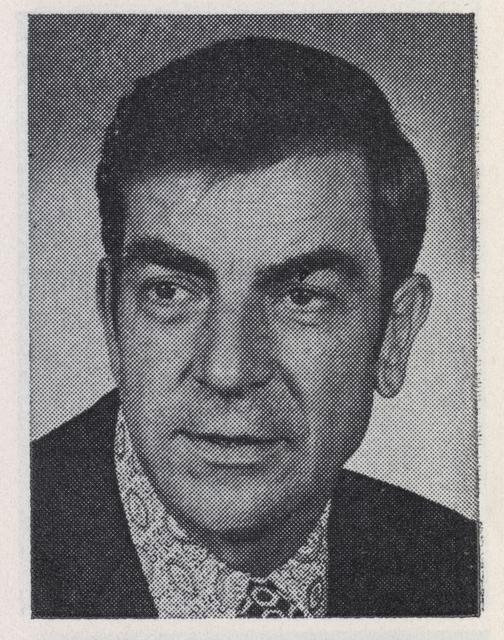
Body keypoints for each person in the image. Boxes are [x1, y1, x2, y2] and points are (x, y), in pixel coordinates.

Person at [31, 36, 478, 618]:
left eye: (302, 298)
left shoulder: (462, 573)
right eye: (170, 293)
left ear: (394, 336)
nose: (229, 369)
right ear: (112, 318)